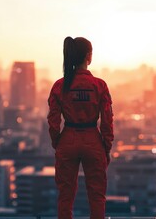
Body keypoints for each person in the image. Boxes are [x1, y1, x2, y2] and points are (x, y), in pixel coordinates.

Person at [47, 36, 114, 219]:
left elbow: (53, 120)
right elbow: (107, 120)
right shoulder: (99, 85)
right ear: (88, 56)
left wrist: (57, 142)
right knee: (97, 195)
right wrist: (106, 147)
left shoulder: (60, 85)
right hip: (93, 140)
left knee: (65, 196)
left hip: (68, 139)